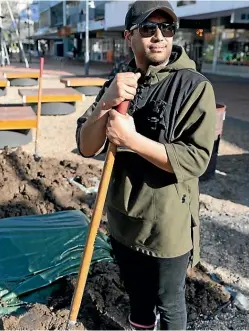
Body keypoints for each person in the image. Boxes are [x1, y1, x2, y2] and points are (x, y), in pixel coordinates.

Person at [75, 1, 217, 330]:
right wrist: (108, 102)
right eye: (148, 28)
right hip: (123, 220)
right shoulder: (119, 81)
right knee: (137, 296)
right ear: (129, 36)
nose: (159, 36)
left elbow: (196, 160)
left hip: (166, 227)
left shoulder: (193, 87)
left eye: (166, 28)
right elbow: (86, 145)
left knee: (169, 303)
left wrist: (133, 141)